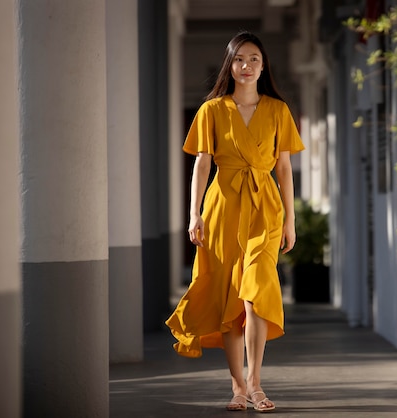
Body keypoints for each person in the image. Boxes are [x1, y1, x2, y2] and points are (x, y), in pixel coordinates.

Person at [165, 31, 305, 413]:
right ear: (230, 64)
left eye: (254, 59)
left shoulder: (278, 110)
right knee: (231, 297)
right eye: (240, 59)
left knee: (255, 293)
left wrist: (291, 221)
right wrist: (194, 213)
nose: (246, 66)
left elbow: (285, 169)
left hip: (265, 208)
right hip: (223, 207)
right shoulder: (211, 110)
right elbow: (202, 163)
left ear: (264, 66)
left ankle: (257, 382)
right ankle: (238, 386)